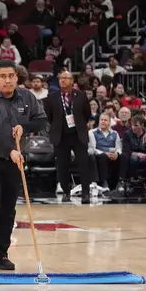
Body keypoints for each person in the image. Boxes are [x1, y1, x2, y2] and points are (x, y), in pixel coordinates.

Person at [0, 59, 47, 271]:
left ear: (17, 77)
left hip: (15, 163)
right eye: (3, 77)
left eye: (11, 76)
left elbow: (42, 121)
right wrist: (10, 150)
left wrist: (24, 127)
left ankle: (2, 253)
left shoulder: (27, 97)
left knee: (8, 209)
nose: (7, 80)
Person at [44, 69, 91, 203]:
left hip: (78, 135)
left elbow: (86, 114)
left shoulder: (80, 95)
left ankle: (85, 193)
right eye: (60, 78)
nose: (62, 80)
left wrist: (80, 125)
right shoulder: (52, 96)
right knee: (63, 165)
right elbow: (49, 116)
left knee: (83, 164)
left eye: (65, 78)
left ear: (72, 81)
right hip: (61, 135)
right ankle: (66, 192)